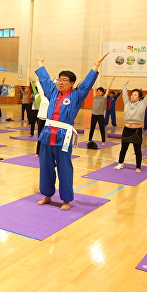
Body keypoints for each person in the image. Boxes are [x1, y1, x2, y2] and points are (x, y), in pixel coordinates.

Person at [35, 52, 109, 211]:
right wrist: (40, 63)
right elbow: (45, 80)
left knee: (64, 168)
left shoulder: (76, 96)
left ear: (72, 83)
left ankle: (66, 199)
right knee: (46, 166)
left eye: (65, 80)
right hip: (48, 135)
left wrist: (96, 65)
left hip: (63, 137)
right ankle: (47, 196)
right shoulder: (53, 93)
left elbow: (87, 84)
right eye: (59, 79)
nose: (60, 82)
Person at [114, 79, 147, 172]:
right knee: (123, 148)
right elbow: (124, 95)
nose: (132, 96)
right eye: (132, 94)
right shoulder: (127, 103)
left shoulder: (143, 103)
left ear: (139, 98)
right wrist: (124, 85)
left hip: (137, 130)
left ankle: (138, 167)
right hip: (127, 129)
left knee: (137, 150)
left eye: (135, 95)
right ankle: (120, 163)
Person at [89, 77, 115, 145]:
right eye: (98, 91)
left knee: (102, 129)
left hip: (100, 115)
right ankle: (89, 140)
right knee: (92, 128)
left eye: (100, 91)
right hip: (94, 115)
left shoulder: (104, 97)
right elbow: (94, 88)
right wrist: (93, 80)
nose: (98, 92)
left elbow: (108, 88)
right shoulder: (95, 97)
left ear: (103, 92)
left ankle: (103, 141)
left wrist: (111, 81)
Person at [31, 74, 49, 156]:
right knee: (40, 136)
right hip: (41, 120)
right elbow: (40, 89)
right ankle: (38, 152)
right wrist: (37, 80)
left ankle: (48, 152)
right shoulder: (43, 97)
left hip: (49, 121)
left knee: (48, 137)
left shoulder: (53, 99)